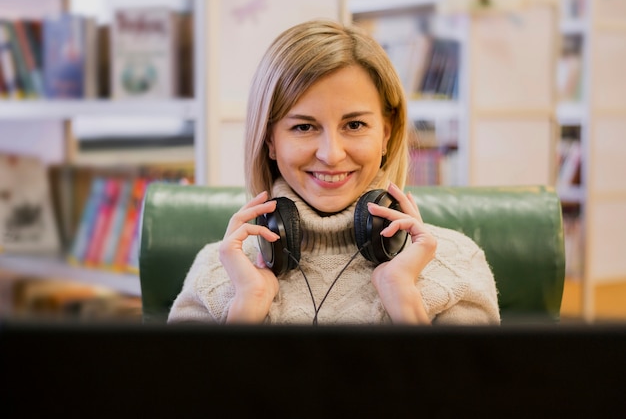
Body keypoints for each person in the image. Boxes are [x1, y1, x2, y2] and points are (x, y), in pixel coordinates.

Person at [167, 19, 500, 325]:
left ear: (386, 133)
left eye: (354, 124)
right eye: (304, 127)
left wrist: (406, 303)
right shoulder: (217, 272)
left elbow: (463, 391)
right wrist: (245, 309)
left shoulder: (457, 265)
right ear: (270, 140)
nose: (331, 154)